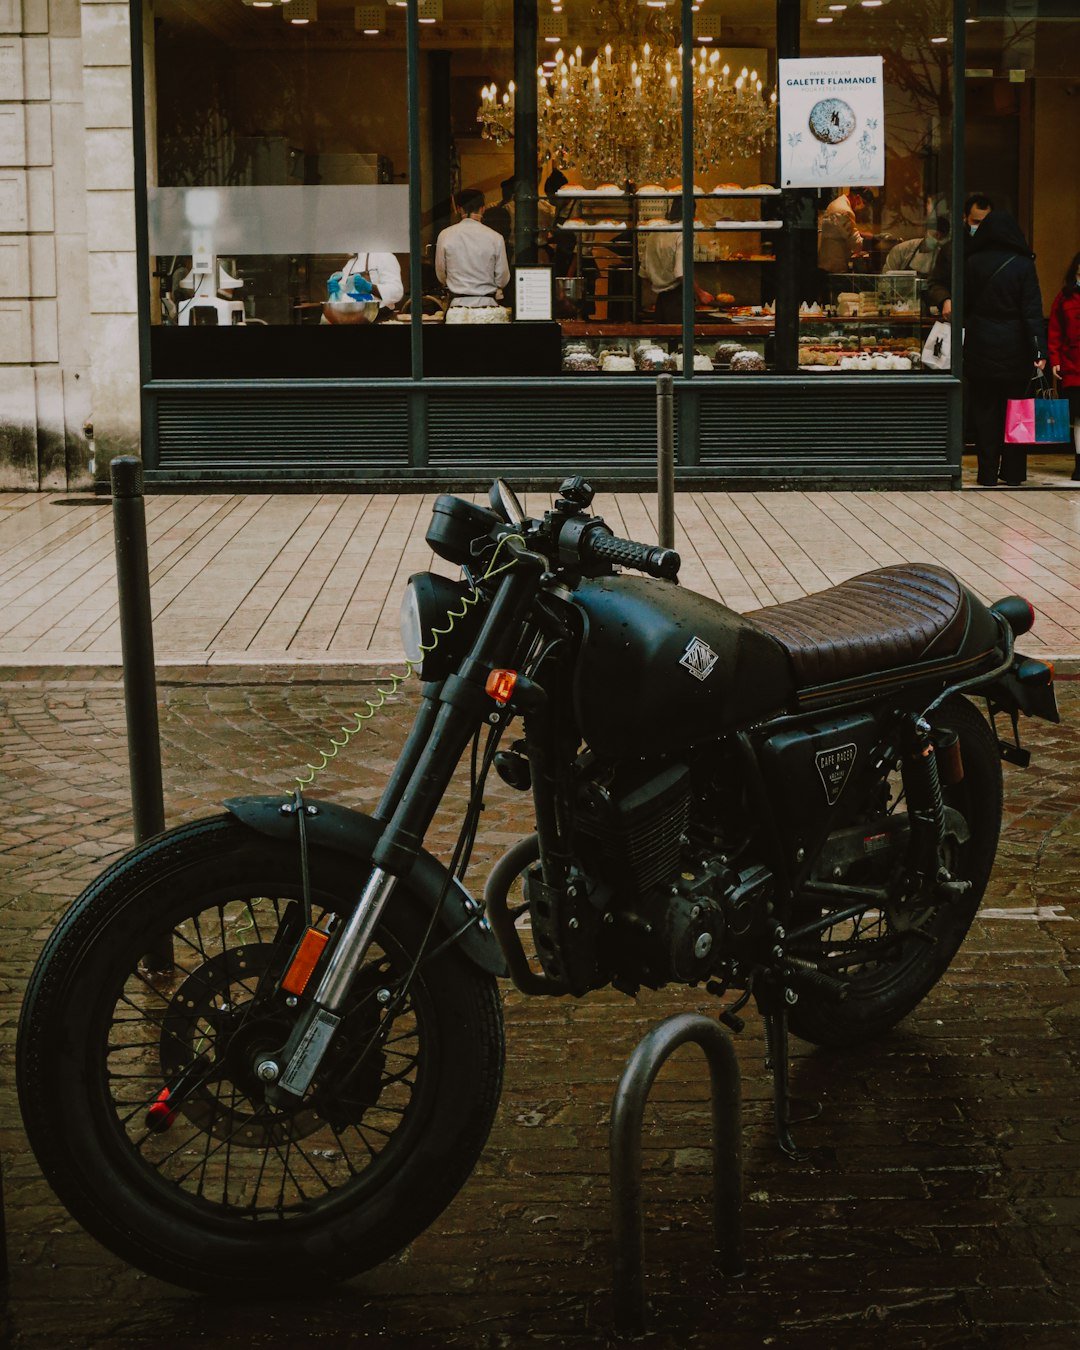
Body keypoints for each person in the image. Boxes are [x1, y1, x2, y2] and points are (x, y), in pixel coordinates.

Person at [963, 209, 1047, 486]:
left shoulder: (972, 262)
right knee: (1017, 412)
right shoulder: (1023, 265)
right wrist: (1038, 351)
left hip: (981, 346)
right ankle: (1013, 473)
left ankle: (986, 474)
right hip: (1016, 349)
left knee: (985, 413)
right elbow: (1032, 312)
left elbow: (964, 305)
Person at [435, 187, 510, 308]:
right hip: (487, 306)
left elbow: (441, 274)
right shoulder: (496, 237)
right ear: (483, 208)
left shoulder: (445, 235)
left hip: (457, 307)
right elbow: (502, 279)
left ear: (458, 209)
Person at [640, 198, 712, 324]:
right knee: (682, 341)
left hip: (660, 303)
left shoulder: (654, 234)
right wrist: (701, 293)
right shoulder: (683, 234)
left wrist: (660, 283)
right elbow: (681, 273)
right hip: (678, 301)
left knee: (663, 341)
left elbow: (644, 273)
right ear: (692, 213)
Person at [926, 192, 993, 317]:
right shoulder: (951, 250)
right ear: (965, 218)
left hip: (991, 320)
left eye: (985, 222)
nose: (980, 227)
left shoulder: (999, 250)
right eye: (975, 222)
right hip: (961, 319)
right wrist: (945, 300)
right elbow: (935, 282)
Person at [1048, 249, 1080, 481]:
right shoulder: (1065, 297)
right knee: (1078, 416)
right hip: (1072, 365)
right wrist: (1055, 360)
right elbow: (1055, 332)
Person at [322, 251, 403, 323]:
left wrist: (370, 287)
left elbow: (397, 291)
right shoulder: (350, 264)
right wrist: (337, 291)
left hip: (379, 318)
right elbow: (345, 297)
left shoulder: (385, 256)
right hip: (352, 318)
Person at [817, 188, 865, 275]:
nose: (858, 208)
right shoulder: (844, 210)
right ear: (857, 197)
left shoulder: (838, 203)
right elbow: (855, 242)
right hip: (835, 264)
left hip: (828, 261)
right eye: (860, 203)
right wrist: (871, 242)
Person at [884, 215, 950, 278]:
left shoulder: (942, 256)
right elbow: (885, 278)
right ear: (926, 231)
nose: (937, 240)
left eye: (941, 238)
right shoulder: (901, 250)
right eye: (936, 235)